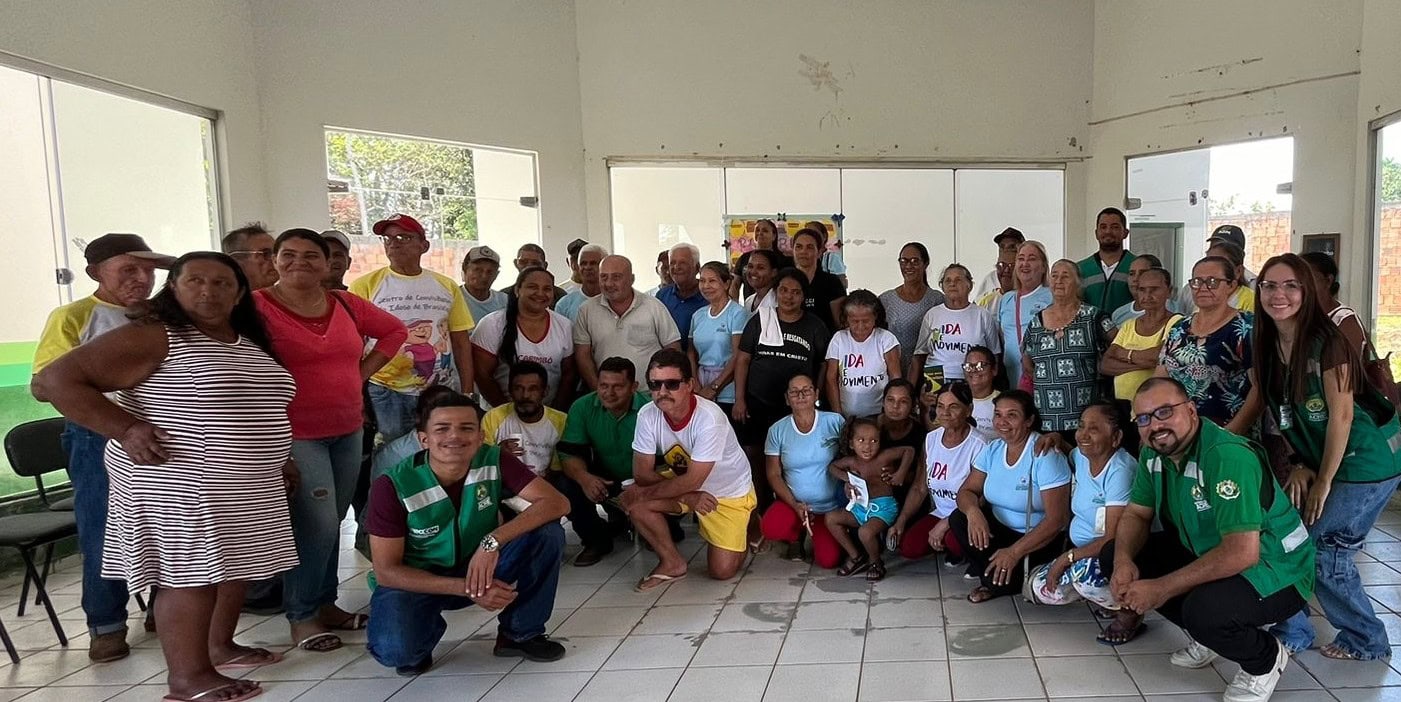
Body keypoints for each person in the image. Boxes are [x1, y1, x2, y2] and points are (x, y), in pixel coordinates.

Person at [34, 252, 300, 702]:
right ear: (173, 288)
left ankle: (219, 646)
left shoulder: (242, 340)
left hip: (245, 481)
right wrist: (125, 429)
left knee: (233, 567)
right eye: (195, 280)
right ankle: (188, 678)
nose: (208, 291)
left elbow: (257, 406)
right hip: (178, 480)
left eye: (222, 283)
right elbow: (54, 381)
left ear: (239, 294)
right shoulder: (155, 335)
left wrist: (279, 456)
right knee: (190, 576)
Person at [1103, 377, 1312, 702]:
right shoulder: (1153, 454)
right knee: (1114, 554)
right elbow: (1136, 514)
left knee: (1203, 612)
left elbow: (1242, 553)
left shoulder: (1226, 457)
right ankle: (1210, 637)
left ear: (1190, 410)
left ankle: (1265, 659)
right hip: (1214, 552)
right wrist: (1122, 562)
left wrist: (1162, 588)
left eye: (1164, 412)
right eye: (1143, 419)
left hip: (1279, 570)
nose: (1154, 426)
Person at [255, 229, 408, 652]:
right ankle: (302, 614)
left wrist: (359, 374)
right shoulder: (256, 306)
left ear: (326, 264)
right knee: (317, 523)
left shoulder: (344, 303)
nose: (299, 262)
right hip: (294, 432)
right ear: (274, 260)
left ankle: (325, 603)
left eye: (311, 255)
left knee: (333, 519)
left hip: (346, 427)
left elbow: (394, 331)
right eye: (288, 254)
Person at [30, 233, 172, 662]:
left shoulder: (159, 315)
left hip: (161, 432)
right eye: (128, 269)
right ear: (96, 273)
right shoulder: (74, 316)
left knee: (170, 523)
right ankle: (106, 625)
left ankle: (166, 609)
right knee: (103, 528)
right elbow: (43, 385)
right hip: (96, 435)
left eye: (147, 270)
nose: (141, 278)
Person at [1253, 254, 1401, 661]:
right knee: (1291, 540)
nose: (1279, 294)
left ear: (1307, 291)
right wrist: (1301, 463)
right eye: (1270, 285)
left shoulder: (1328, 342)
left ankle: (1367, 639)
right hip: (1323, 461)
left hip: (1365, 463)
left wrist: (1323, 480)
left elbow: (1342, 416)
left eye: (1291, 286)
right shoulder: (1268, 343)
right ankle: (1294, 629)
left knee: (1326, 552)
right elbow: (1283, 412)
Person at [365, 391, 569, 675]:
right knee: (396, 651)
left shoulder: (494, 459)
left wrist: (491, 542)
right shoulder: (392, 485)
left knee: (548, 534)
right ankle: (420, 636)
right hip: (419, 581)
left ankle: (520, 633)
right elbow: (387, 572)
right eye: (442, 428)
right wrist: (467, 588)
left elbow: (557, 503)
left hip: (480, 565)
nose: (455, 436)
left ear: (480, 436)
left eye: (466, 428)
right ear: (424, 439)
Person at [623, 349, 757, 589]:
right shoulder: (647, 414)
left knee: (721, 571)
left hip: (726, 492)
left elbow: (694, 480)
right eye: (655, 384)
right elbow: (641, 474)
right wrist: (687, 497)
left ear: (690, 385)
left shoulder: (709, 418)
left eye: (672, 384)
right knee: (636, 505)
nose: (662, 392)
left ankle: (751, 520)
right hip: (684, 483)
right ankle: (672, 563)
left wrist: (651, 493)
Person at [350, 214, 475, 441]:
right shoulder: (364, 286)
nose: (393, 243)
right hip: (387, 390)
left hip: (438, 390)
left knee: (440, 448)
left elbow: (460, 341)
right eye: (387, 238)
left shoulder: (446, 286)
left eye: (403, 237)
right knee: (393, 451)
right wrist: (356, 394)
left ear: (424, 246)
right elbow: (353, 345)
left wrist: (467, 392)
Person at [1026, 403, 1141, 644]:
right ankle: (1105, 597)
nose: (1083, 435)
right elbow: (1071, 451)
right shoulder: (1081, 455)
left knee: (1085, 579)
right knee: (1042, 589)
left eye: (1094, 429)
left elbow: (1113, 539)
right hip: (1084, 553)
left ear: (1116, 438)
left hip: (1117, 554)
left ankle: (1130, 610)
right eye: (1081, 426)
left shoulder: (1120, 471)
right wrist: (1058, 438)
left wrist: (1065, 559)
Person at [950, 391, 1072, 603]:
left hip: (1037, 539)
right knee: (959, 518)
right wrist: (973, 512)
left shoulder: (1045, 454)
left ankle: (997, 578)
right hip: (1002, 530)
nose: (1002, 422)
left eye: (1012, 415)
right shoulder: (994, 449)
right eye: (998, 414)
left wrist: (1014, 553)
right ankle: (992, 575)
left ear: (1029, 421)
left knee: (1006, 583)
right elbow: (966, 491)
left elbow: (1057, 520)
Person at [733, 268, 831, 516]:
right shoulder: (760, 320)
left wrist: (817, 395)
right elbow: (743, 360)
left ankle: (793, 511)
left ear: (804, 296)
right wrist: (739, 399)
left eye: (796, 292)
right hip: (758, 403)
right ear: (776, 292)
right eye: (784, 290)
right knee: (757, 459)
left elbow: (823, 364)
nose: (789, 296)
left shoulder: (815, 326)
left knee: (792, 462)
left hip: (796, 408)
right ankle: (763, 513)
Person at [555, 357, 652, 566]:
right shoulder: (582, 406)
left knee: (669, 533)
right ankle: (596, 541)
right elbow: (569, 453)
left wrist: (642, 485)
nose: (609, 393)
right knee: (566, 483)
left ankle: (637, 523)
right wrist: (585, 478)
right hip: (604, 480)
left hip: (645, 480)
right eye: (603, 386)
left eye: (618, 386)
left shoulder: (651, 409)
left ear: (634, 387)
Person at [1157, 256, 1260, 434]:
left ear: (1231, 286)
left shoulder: (1247, 327)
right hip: (1179, 432)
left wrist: (1229, 434)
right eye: (1197, 282)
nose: (1203, 288)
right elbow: (1160, 378)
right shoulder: (1179, 327)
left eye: (1213, 282)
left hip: (1228, 434)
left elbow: (1260, 389)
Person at [890, 382, 987, 562]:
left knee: (953, 541)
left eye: (953, 407)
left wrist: (947, 523)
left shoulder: (979, 445)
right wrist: (901, 521)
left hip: (967, 515)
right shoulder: (931, 439)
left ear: (968, 410)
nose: (945, 413)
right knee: (909, 547)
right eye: (940, 406)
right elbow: (919, 488)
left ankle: (958, 546)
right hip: (940, 512)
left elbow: (983, 498)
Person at [759, 374, 847, 565]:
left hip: (830, 509)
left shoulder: (835, 421)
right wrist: (794, 504)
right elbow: (773, 474)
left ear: (816, 394)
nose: (801, 395)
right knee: (771, 527)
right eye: (794, 392)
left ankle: (819, 529)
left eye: (806, 390)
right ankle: (795, 536)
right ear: (787, 398)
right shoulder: (777, 430)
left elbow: (850, 458)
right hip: (795, 503)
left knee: (829, 560)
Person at [1021, 260, 1113, 437]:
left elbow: (1119, 345)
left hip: (1086, 418)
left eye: (1065, 276)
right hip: (1046, 417)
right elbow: (1027, 361)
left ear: (1078, 282)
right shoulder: (1036, 321)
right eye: (1054, 276)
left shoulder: (1093, 316)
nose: (1058, 281)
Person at [471, 267, 577, 408]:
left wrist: (554, 413)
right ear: (517, 290)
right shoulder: (492, 324)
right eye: (533, 287)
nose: (540, 293)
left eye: (547, 289)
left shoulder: (565, 326)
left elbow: (569, 375)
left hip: (548, 414)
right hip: (499, 412)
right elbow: (482, 375)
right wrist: (507, 413)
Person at [572, 254, 681, 391]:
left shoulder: (653, 307)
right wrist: (599, 390)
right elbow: (583, 356)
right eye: (603, 277)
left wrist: (663, 389)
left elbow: (672, 349)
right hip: (607, 396)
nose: (609, 283)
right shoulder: (587, 310)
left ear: (632, 279)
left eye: (616, 277)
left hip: (649, 394)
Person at [825, 418, 914, 580]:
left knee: (865, 532)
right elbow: (832, 467)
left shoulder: (883, 457)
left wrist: (901, 473)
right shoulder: (852, 461)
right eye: (861, 440)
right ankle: (856, 557)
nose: (867, 446)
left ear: (880, 442)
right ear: (851, 444)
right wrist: (847, 478)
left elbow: (909, 450)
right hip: (860, 507)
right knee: (831, 518)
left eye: (874, 441)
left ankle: (876, 562)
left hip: (884, 508)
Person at [911, 263, 1001, 391]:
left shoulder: (982, 315)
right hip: (935, 379)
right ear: (942, 286)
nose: (952, 284)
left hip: (972, 378)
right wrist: (912, 389)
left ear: (969, 285)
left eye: (958, 280)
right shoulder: (932, 314)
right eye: (948, 280)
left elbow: (994, 354)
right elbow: (920, 354)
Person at [1103, 267, 1180, 406]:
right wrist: (1145, 364)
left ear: (1169, 291)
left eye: (1154, 289)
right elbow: (1106, 364)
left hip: (1156, 405)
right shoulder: (1129, 325)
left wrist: (1125, 354)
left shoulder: (1177, 322)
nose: (1147, 295)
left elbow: (1160, 357)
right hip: (1122, 405)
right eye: (1142, 290)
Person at [481, 361, 568, 478]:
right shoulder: (494, 417)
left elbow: (559, 471)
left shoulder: (561, 421)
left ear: (545, 391)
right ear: (510, 390)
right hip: (502, 482)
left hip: (546, 484)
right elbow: (480, 461)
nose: (525, 395)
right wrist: (497, 454)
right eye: (518, 388)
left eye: (533, 389)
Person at [825, 291, 901, 418]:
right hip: (846, 416)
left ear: (875, 317)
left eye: (866, 321)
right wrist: (837, 414)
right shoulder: (839, 339)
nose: (860, 326)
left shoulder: (886, 339)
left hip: (879, 414)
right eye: (855, 321)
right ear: (847, 319)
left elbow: (895, 377)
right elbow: (831, 379)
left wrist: (889, 412)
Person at [688, 262, 748, 414]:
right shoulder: (698, 315)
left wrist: (714, 387)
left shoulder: (737, 313)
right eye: (702, 281)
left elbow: (738, 355)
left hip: (728, 391)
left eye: (712, 281)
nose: (706, 286)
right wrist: (695, 382)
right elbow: (691, 352)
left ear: (726, 284)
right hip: (700, 388)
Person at [879, 243, 945, 373]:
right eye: (903, 261)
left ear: (925, 263)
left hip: (929, 371)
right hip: (893, 371)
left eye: (915, 261)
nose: (908, 266)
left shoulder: (937, 299)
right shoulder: (886, 300)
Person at [998, 240, 1053, 388]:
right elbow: (1002, 338)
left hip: (1042, 377)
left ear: (1043, 266)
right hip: (1012, 378)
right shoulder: (1006, 299)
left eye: (1032, 259)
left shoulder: (1052, 296)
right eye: (1021, 259)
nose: (1025, 264)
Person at [1174, 224, 1259, 313]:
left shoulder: (1253, 293)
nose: (1204, 288)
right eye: (1210, 259)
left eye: (1221, 262)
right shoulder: (1191, 289)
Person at [1300, 251, 1371, 358]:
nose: (1302, 285)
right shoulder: (1302, 315)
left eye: (1309, 279)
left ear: (1328, 280)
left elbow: (1344, 366)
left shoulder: (1345, 321)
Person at [1078, 207, 1137, 314]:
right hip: (1089, 324)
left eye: (1115, 227)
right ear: (1096, 233)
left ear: (1125, 233)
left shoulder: (1138, 267)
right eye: (1103, 227)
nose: (1108, 231)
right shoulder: (1080, 269)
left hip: (1128, 324)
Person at [790, 228, 847, 330]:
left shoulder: (832, 283)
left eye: (810, 247)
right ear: (792, 250)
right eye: (799, 247)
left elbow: (840, 323)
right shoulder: (783, 281)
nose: (803, 251)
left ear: (820, 252)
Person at [656, 242, 707, 351]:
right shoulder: (662, 296)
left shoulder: (709, 294)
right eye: (672, 263)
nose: (676, 267)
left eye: (682, 263)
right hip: (671, 358)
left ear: (697, 267)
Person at [731, 219, 792, 300]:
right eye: (757, 230)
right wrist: (734, 306)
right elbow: (735, 285)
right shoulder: (744, 258)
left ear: (774, 236)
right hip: (751, 305)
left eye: (765, 231)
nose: (760, 233)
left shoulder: (784, 260)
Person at [1109, 254, 1169, 327]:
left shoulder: (1173, 310)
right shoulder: (1119, 314)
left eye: (1142, 273)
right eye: (1132, 274)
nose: (1135, 279)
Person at [555, 243, 607, 322]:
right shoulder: (564, 304)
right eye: (583, 263)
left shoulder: (615, 301)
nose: (587, 267)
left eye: (593, 263)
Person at [502, 243, 567, 306]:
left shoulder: (560, 296)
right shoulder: (504, 296)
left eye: (535, 263)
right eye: (523, 262)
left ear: (545, 266)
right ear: (516, 264)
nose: (529, 267)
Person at [974, 227, 1025, 304]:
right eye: (1002, 246)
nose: (1006, 249)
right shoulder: (991, 278)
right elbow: (978, 305)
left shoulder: (1029, 277)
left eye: (1012, 246)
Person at [222, 222, 278, 290]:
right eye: (266, 253)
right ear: (236, 261)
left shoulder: (286, 295)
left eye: (277, 253)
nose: (276, 260)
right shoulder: (220, 296)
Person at [460, 245, 508, 324]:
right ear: (465, 269)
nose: (484, 276)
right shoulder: (452, 299)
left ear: (496, 275)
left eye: (490, 271)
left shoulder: (504, 301)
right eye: (477, 270)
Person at [963, 346, 1001, 442]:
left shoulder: (1003, 402)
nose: (973, 370)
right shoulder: (957, 399)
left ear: (994, 369)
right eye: (968, 366)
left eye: (980, 365)